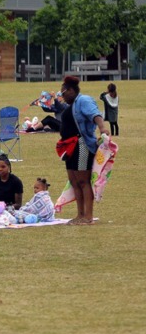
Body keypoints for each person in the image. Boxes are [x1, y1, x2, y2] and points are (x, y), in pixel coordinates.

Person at [58, 75, 108, 225]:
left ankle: (88, 216)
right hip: (69, 146)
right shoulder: (71, 105)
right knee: (74, 181)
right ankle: (80, 215)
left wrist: (102, 128)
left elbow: (95, 115)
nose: (63, 96)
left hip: (81, 144)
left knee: (83, 180)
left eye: (64, 93)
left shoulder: (83, 100)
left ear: (71, 90)